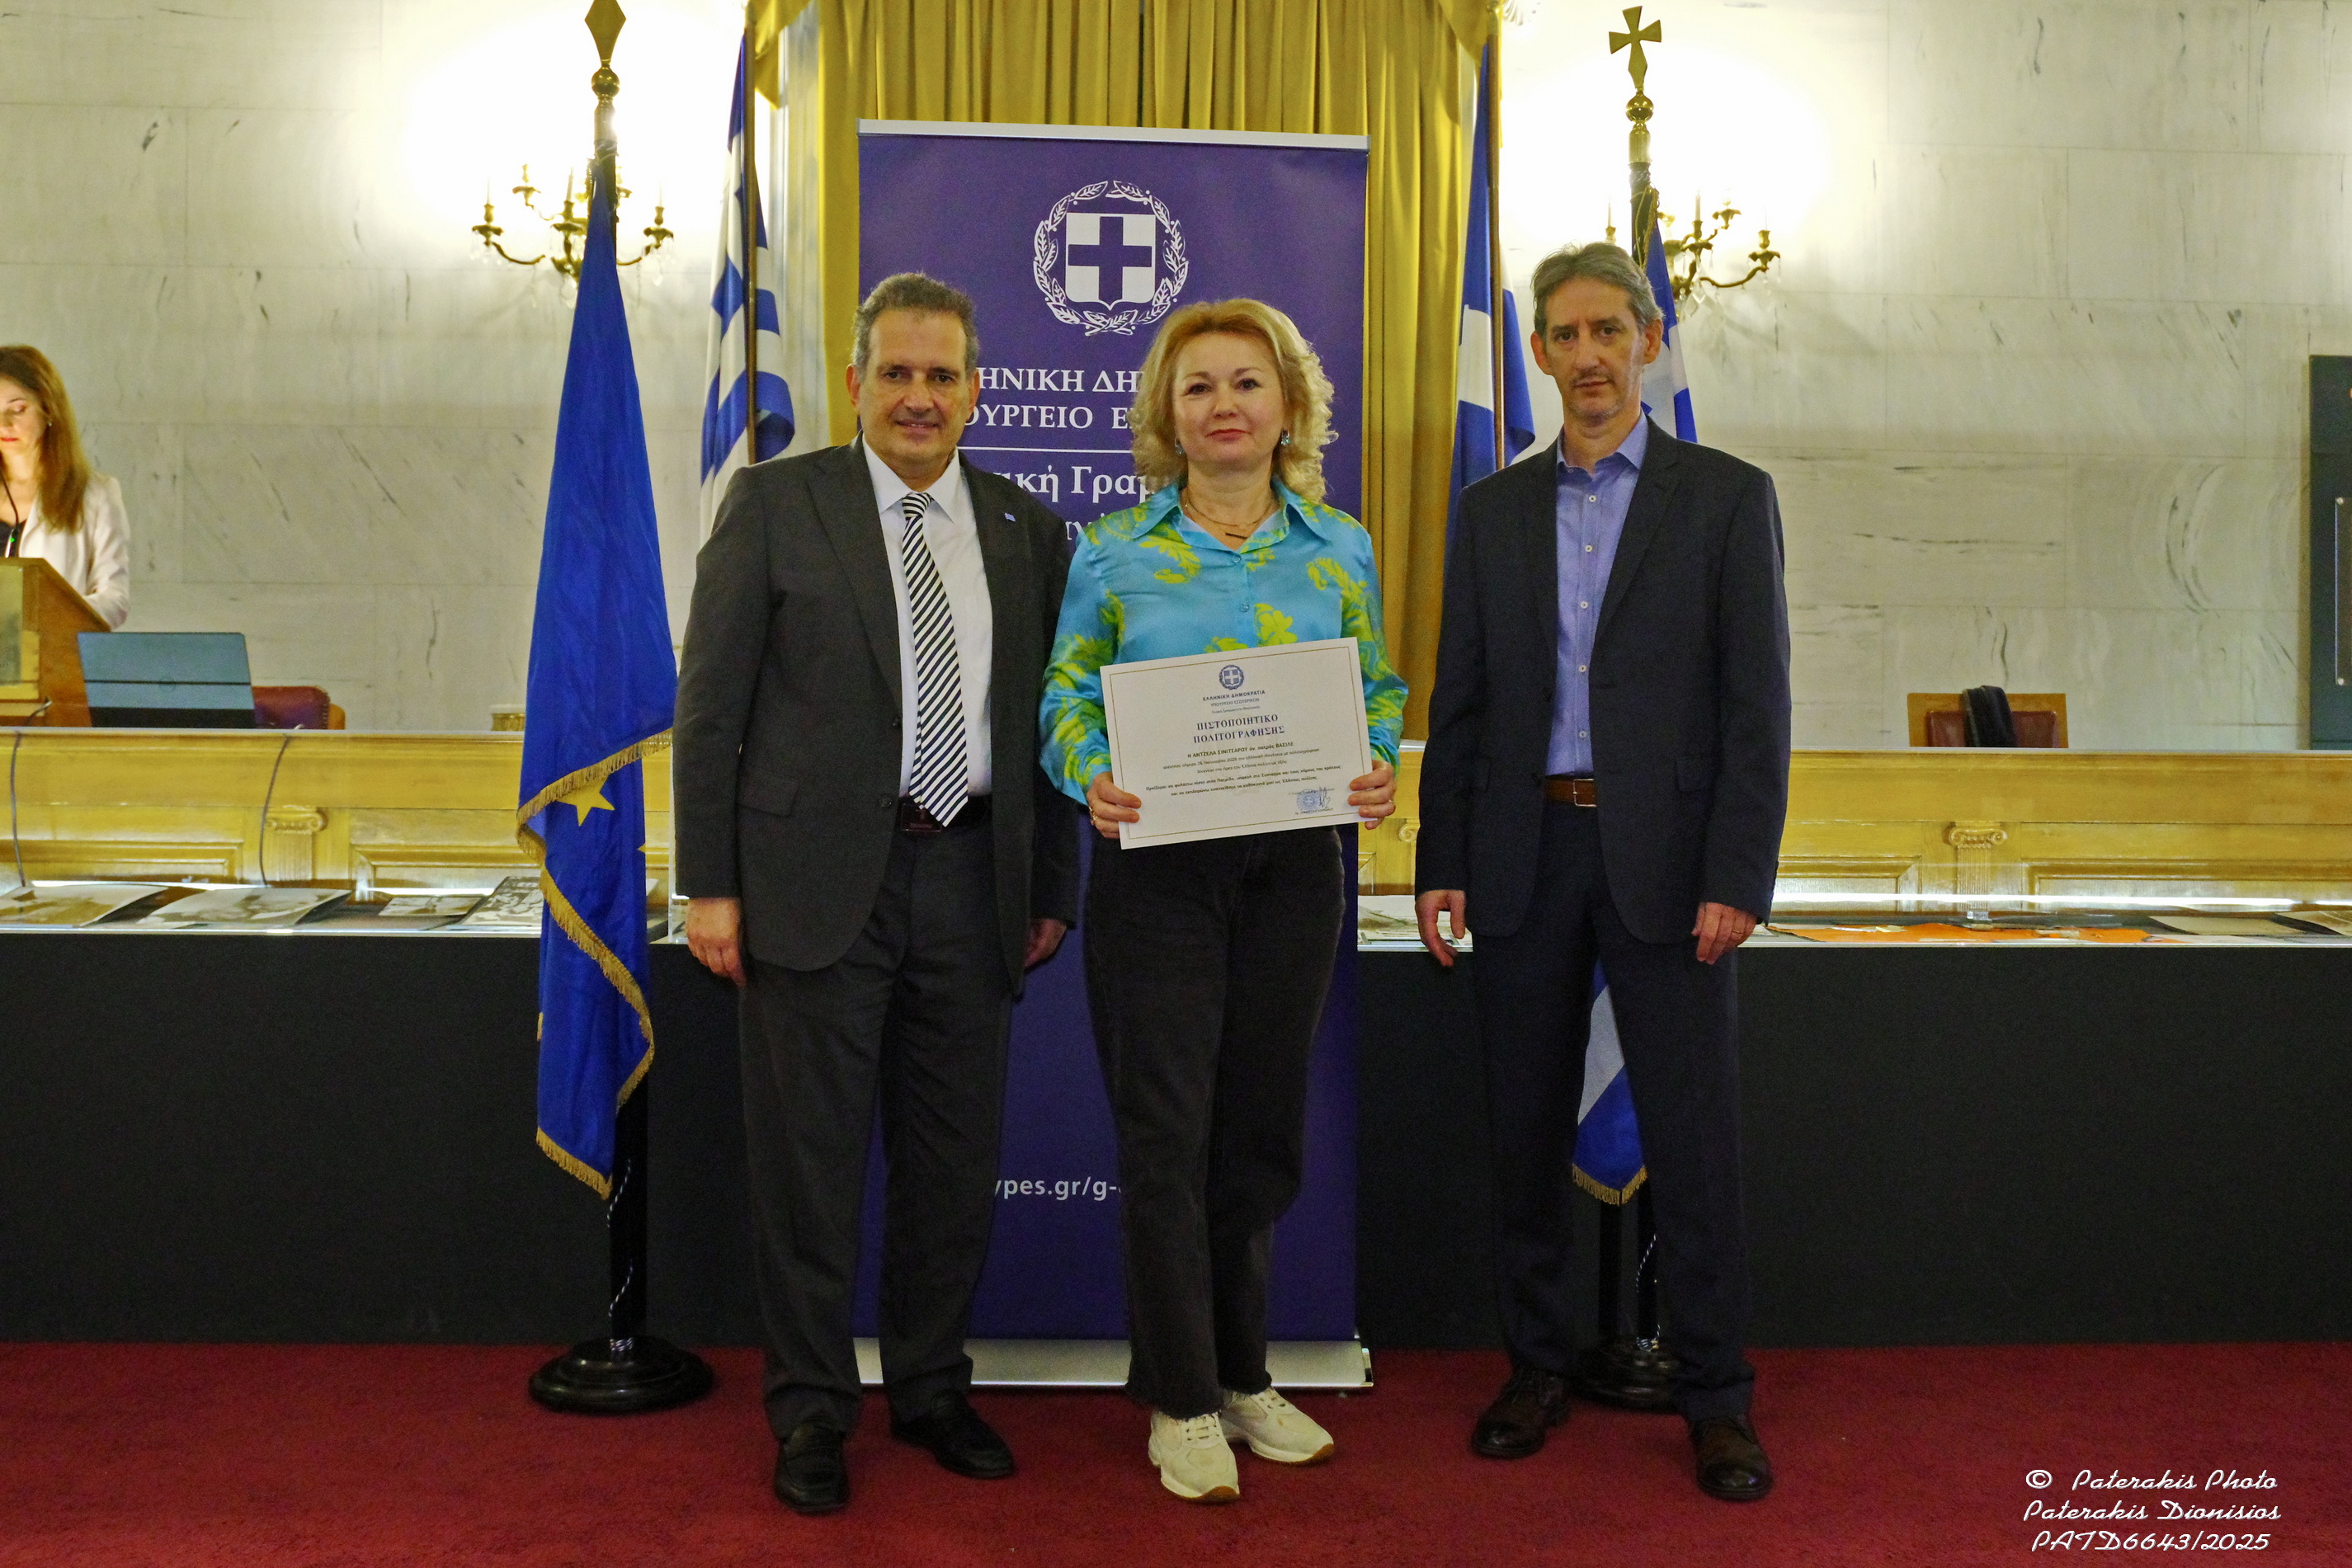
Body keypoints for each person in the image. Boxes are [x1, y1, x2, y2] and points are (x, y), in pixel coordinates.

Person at [673, 273, 1080, 1516]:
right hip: (808, 887)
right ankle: (809, 1407)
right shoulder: (775, 503)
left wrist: (1049, 881)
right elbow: (710, 709)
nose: (917, 396)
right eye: (895, 373)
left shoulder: (1027, 528)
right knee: (809, 1165)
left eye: (940, 375)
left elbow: (1049, 722)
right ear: (854, 383)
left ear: (975, 391)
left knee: (952, 1160)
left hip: (973, 879)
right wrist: (709, 886)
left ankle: (930, 1387)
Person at [1414, 242, 1791, 1502]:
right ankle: (1532, 1368)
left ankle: (1716, 1396)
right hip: (1521, 853)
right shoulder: (1491, 511)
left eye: (1607, 333)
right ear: (1535, 353)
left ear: (1646, 341)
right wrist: (1440, 857)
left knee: (1693, 1143)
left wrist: (1737, 870)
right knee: (1520, 1131)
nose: (1586, 357)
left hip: (1670, 867)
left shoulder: (1724, 498)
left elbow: (1755, 709)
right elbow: (1460, 702)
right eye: (1563, 336)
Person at [1040, 299, 1407, 1504]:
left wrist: (1375, 757)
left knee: (1256, 1134)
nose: (1224, 405)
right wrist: (1089, 772)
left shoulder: (1339, 547)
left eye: (1247, 382)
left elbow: (1376, 685)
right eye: (1197, 386)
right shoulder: (1111, 552)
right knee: (1165, 1139)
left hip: (1294, 870)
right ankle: (1183, 1398)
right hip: (1158, 875)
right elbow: (1065, 697)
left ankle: (1243, 1374)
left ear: (1288, 405)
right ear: (1167, 412)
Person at [0, 346, 129, 629]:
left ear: (49, 408)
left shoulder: (96, 494)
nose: (3, 424)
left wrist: (47, 614)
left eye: (18, 410)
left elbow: (114, 599)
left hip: (53, 649)